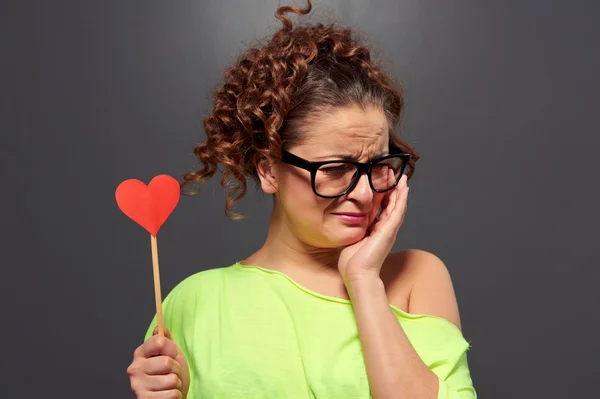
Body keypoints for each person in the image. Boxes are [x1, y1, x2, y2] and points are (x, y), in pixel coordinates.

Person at [126, 1, 476, 398]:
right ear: (268, 169)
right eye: (334, 169)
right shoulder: (195, 304)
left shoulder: (416, 277)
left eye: (379, 165)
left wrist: (363, 281)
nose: (363, 194)